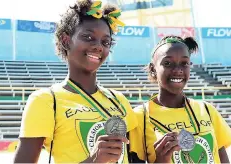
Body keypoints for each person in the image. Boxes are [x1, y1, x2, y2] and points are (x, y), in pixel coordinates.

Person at [14, 0, 156, 163]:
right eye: (88, 37)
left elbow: (135, 159)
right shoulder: (45, 101)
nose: (98, 47)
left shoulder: (119, 100)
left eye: (106, 42)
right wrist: (93, 161)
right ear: (66, 40)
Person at [134, 35, 231, 163]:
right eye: (167, 63)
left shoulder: (206, 110)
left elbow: (222, 159)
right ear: (153, 68)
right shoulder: (139, 117)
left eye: (184, 63)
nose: (178, 70)